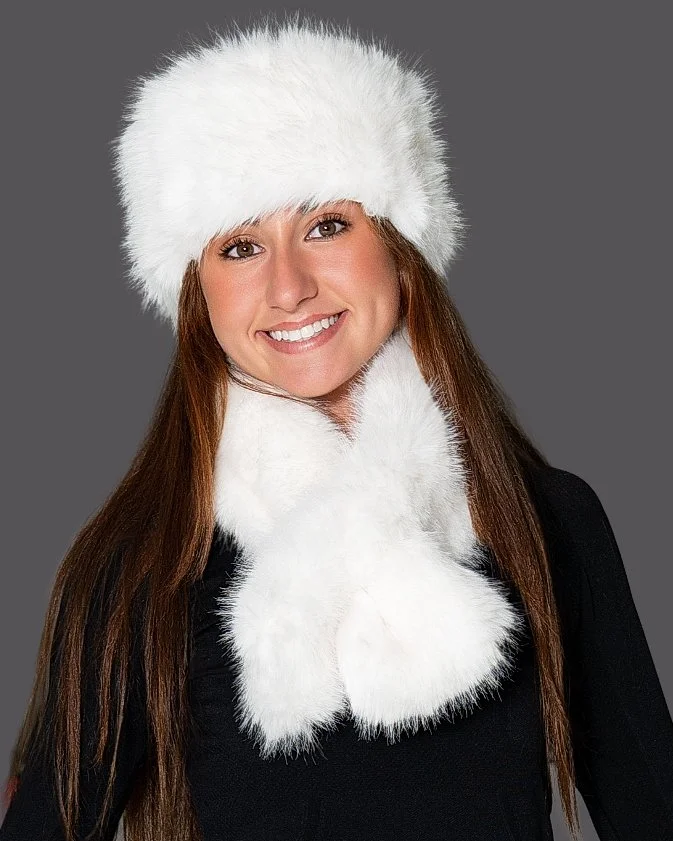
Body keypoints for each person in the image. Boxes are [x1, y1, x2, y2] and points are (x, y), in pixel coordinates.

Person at [1, 14, 672, 841]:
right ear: (196, 293)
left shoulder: (549, 523)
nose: (287, 287)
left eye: (326, 225)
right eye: (240, 247)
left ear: (398, 245)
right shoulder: (143, 560)